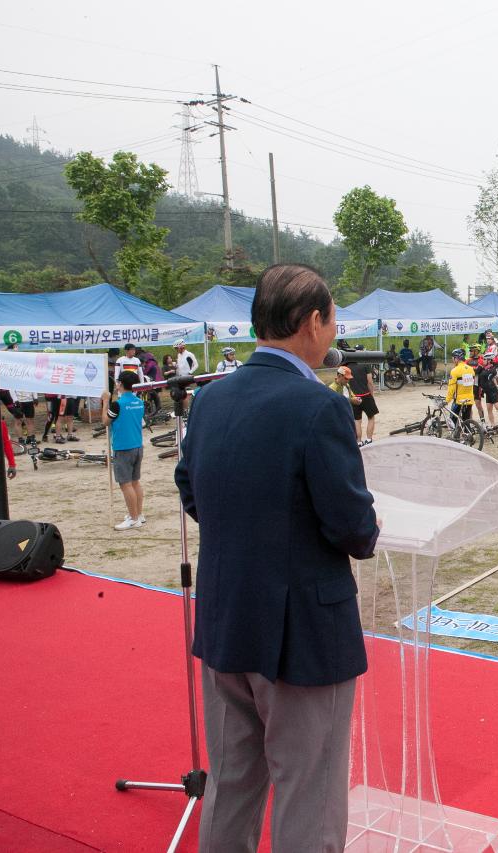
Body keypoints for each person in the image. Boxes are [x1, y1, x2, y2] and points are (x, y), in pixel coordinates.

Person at [174, 264, 378, 852]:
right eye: (333, 318)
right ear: (313, 322)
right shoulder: (319, 408)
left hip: (225, 620)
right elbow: (351, 528)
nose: (334, 330)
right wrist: (369, 525)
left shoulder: (211, 400)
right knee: (308, 795)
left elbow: (192, 490)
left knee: (232, 782)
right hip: (302, 639)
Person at [103, 372, 146, 530]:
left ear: (120, 384)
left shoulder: (117, 404)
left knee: (125, 484)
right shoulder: (139, 402)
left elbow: (105, 421)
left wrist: (106, 401)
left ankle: (134, 519)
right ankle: (138, 514)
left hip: (123, 447)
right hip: (137, 445)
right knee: (135, 482)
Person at [348, 354, 378, 446]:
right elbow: (370, 382)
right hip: (366, 395)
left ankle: (359, 441)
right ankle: (368, 440)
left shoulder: (346, 367)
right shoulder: (365, 365)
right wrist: (371, 395)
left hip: (354, 397)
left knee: (357, 420)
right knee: (371, 417)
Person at [446, 347, 477, 422]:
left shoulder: (455, 371)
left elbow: (451, 388)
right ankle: (467, 432)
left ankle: (456, 433)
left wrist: (447, 400)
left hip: (459, 400)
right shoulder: (471, 369)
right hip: (469, 399)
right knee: (466, 420)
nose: (453, 360)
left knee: (453, 420)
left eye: (453, 358)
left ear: (456, 358)